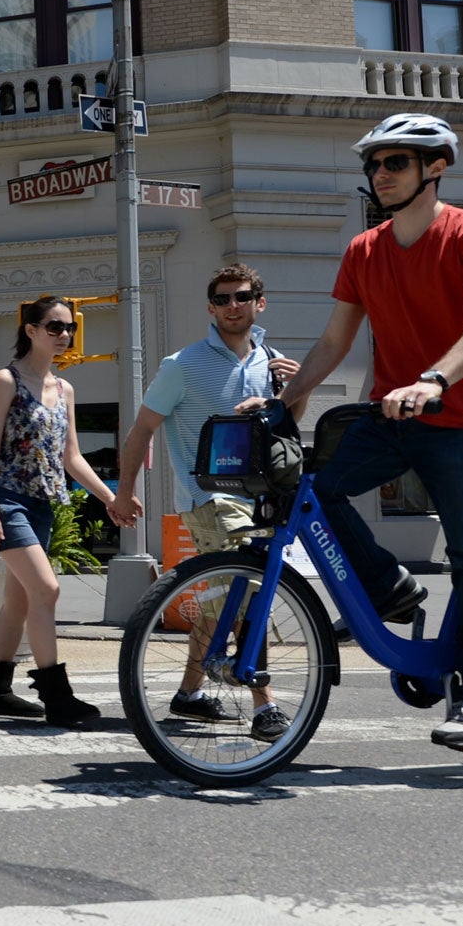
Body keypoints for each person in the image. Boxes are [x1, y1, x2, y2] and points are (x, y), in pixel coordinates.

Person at [248, 114, 463, 750]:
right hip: (392, 418)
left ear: (435, 167)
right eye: (373, 165)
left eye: (395, 162)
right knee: (315, 489)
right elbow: (333, 342)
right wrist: (283, 402)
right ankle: (387, 587)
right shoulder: (364, 250)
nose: (381, 174)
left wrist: (433, 380)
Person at [111, 263, 300, 741]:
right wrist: (125, 491)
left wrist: (298, 390)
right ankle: (265, 704)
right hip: (210, 498)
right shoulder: (182, 364)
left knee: (222, 599)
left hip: (263, 499)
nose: (232, 306)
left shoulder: (272, 361)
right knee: (248, 592)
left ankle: (189, 694)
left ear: (260, 303)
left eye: (242, 297)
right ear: (210, 308)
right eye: (222, 299)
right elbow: (141, 429)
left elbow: (286, 429)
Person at [0, 296, 118, 724]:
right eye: (55, 327)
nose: (64, 335)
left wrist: (110, 499)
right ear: (31, 330)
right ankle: (57, 697)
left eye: (69, 327)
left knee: (18, 600)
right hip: (7, 500)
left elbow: (72, 457)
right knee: (47, 590)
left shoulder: (65, 389)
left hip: (43, 505)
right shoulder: (7, 381)